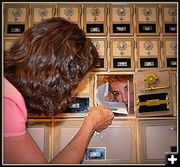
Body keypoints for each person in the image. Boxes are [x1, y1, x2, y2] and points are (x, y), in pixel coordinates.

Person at [3, 17, 114, 164]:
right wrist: (90, 124)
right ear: (62, 80)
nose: (77, 91)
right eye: (81, 81)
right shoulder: (7, 104)